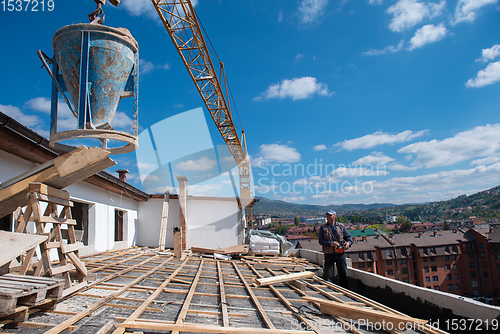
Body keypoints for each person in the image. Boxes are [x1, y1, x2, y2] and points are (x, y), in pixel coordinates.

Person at [318, 210, 353, 288]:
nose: (328, 217)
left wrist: (348, 243)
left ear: (334, 216)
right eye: (327, 216)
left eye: (330, 215)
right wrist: (331, 244)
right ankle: (330, 290)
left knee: (343, 273)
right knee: (329, 274)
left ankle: (345, 290)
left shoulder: (341, 226)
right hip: (329, 254)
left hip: (340, 253)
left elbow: (349, 238)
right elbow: (320, 241)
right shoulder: (323, 228)